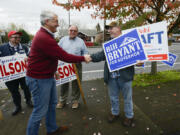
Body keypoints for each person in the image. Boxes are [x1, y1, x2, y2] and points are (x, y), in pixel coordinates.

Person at [25, 10, 91, 135]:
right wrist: (83, 58)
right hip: (39, 79)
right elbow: (62, 55)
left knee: (52, 104)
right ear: (47, 21)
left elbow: (51, 56)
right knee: (39, 111)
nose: (58, 24)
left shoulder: (47, 35)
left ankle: (52, 129)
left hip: (47, 76)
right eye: (55, 21)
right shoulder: (43, 37)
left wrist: (53, 70)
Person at [89, 21, 143, 127]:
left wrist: (140, 63)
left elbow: (138, 57)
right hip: (111, 77)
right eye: (108, 29)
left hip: (125, 76)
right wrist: (89, 57)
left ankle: (129, 116)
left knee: (127, 98)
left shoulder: (129, 40)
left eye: (111, 28)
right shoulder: (108, 44)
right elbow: (100, 55)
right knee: (113, 97)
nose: (109, 31)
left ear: (119, 28)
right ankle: (115, 113)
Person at [0, 31, 33, 116]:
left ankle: (28, 101)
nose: (18, 39)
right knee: (14, 91)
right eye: (15, 37)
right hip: (10, 76)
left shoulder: (24, 47)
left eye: (19, 37)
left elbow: (30, 56)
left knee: (26, 88)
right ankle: (18, 106)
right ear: (9, 38)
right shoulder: (2, 48)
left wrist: (28, 58)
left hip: (23, 74)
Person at [56, 25, 88, 109]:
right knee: (64, 83)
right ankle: (62, 101)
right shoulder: (62, 40)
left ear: (77, 32)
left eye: (75, 31)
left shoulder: (81, 41)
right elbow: (57, 50)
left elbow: (85, 52)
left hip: (76, 64)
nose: (73, 32)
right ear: (68, 31)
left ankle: (75, 101)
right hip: (64, 65)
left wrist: (85, 57)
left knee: (76, 83)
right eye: (71, 30)